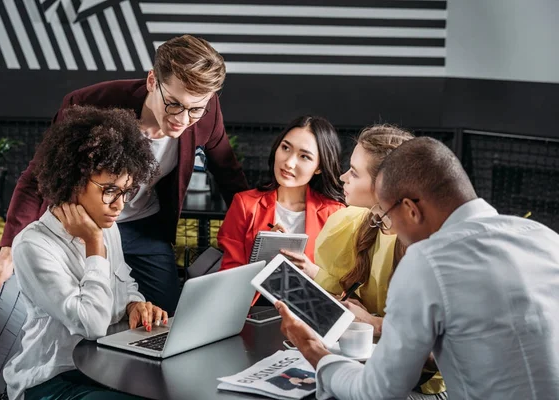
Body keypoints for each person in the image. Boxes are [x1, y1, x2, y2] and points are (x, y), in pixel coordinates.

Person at [0, 35, 248, 314]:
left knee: (167, 316)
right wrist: (9, 251)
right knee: (83, 316)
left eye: (196, 109)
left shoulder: (206, 113)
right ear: (152, 81)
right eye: (173, 103)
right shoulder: (91, 104)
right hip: (80, 225)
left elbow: (228, 174)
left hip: (144, 228)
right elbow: (36, 179)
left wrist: (257, 230)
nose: (183, 119)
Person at [277, 137, 559, 399]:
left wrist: (313, 350)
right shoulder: (544, 237)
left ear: (411, 209)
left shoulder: (428, 262)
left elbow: (377, 392)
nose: (391, 230)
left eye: (387, 217)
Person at [3, 106, 166, 400]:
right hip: (51, 379)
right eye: (109, 190)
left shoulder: (106, 227)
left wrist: (134, 305)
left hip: (103, 366)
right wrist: (93, 244)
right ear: (75, 180)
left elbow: (124, 284)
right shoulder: (33, 245)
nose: (119, 205)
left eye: (125, 191)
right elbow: (91, 324)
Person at [282, 125, 445, 398]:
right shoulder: (360, 224)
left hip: (423, 389)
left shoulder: (426, 245)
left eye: (354, 172)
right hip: (374, 366)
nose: (344, 177)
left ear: (385, 185)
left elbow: (437, 354)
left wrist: (373, 322)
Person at [217, 115, 345, 271]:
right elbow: (230, 273)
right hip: (256, 295)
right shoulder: (245, 205)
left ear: (319, 167)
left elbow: (341, 281)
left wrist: (312, 271)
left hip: (309, 295)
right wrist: (264, 251)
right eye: (285, 148)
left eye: (304, 156)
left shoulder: (335, 213)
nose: (289, 163)